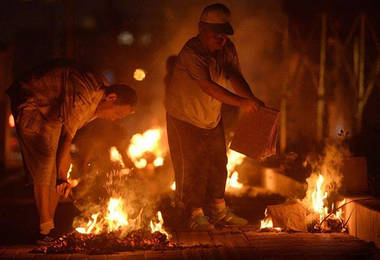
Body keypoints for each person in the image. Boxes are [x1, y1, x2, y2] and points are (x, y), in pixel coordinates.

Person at [7, 59, 137, 244]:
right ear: (112, 98)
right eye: (118, 114)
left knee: (56, 167)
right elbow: (66, 140)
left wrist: (64, 177)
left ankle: (48, 229)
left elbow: (69, 140)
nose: (115, 119)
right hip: (31, 102)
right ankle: (45, 231)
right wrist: (61, 177)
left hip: (50, 110)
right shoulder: (84, 99)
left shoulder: (100, 97)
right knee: (45, 162)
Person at [165, 3, 264, 231]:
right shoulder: (192, 52)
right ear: (201, 29)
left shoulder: (227, 49)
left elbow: (234, 76)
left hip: (210, 116)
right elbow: (208, 87)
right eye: (216, 33)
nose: (222, 39)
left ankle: (219, 211)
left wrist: (251, 99)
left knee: (219, 162)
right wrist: (242, 103)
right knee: (192, 165)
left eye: (225, 34)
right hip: (183, 117)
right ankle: (193, 213)